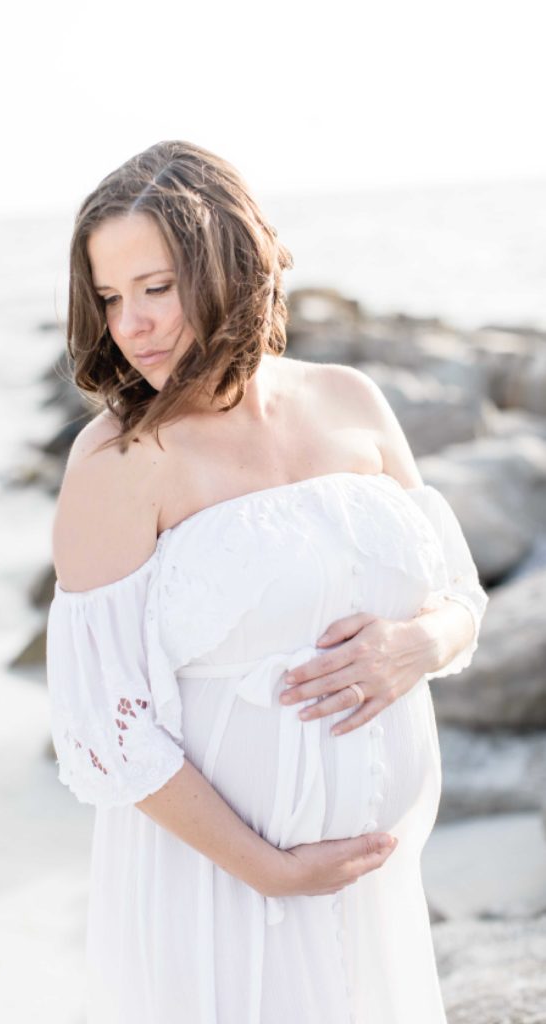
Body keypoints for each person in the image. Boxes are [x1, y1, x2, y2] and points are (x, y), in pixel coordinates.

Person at [45, 140, 489, 1024]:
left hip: (372, 884)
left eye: (156, 288)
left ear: (231, 265)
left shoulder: (350, 398)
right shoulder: (120, 460)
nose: (130, 325)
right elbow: (104, 730)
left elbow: (463, 600)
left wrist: (415, 646)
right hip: (214, 892)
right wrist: (273, 872)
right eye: (109, 299)